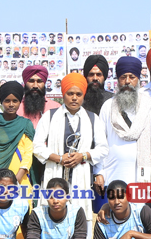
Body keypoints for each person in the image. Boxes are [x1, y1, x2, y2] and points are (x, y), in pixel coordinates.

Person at [34, 73, 106, 224]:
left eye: (78, 94)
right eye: (70, 93)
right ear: (63, 94)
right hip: (55, 172)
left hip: (81, 176)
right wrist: (58, 158)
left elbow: (103, 149)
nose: (74, 98)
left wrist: (83, 156)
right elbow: (37, 146)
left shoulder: (93, 118)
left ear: (83, 96)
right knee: (51, 218)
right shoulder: (49, 116)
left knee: (79, 219)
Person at [94, 56, 151, 194]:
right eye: (123, 77)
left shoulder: (148, 105)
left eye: (132, 77)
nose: (127, 81)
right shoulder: (108, 106)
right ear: (117, 80)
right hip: (112, 175)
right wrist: (99, 172)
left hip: (141, 177)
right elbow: (100, 142)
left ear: (138, 79)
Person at [0, 81, 35, 187]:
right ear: (1, 101)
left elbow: (28, 153)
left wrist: (16, 179)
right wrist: (2, 181)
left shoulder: (25, 124)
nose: (11, 104)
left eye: (15, 101)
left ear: (20, 102)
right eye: (7, 101)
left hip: (21, 179)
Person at [20, 64, 59, 131]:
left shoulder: (56, 108)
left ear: (44, 83)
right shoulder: (17, 108)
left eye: (39, 81)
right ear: (25, 83)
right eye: (31, 81)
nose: (35, 86)